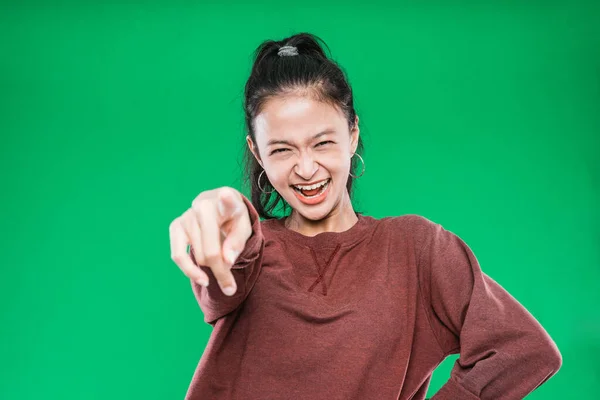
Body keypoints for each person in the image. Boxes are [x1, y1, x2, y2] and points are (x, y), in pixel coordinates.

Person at [169, 32, 562, 400]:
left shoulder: (415, 249)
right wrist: (225, 212)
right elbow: (222, 278)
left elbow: (522, 348)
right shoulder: (247, 248)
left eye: (322, 143)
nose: (306, 169)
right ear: (257, 153)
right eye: (282, 150)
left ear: (353, 134)